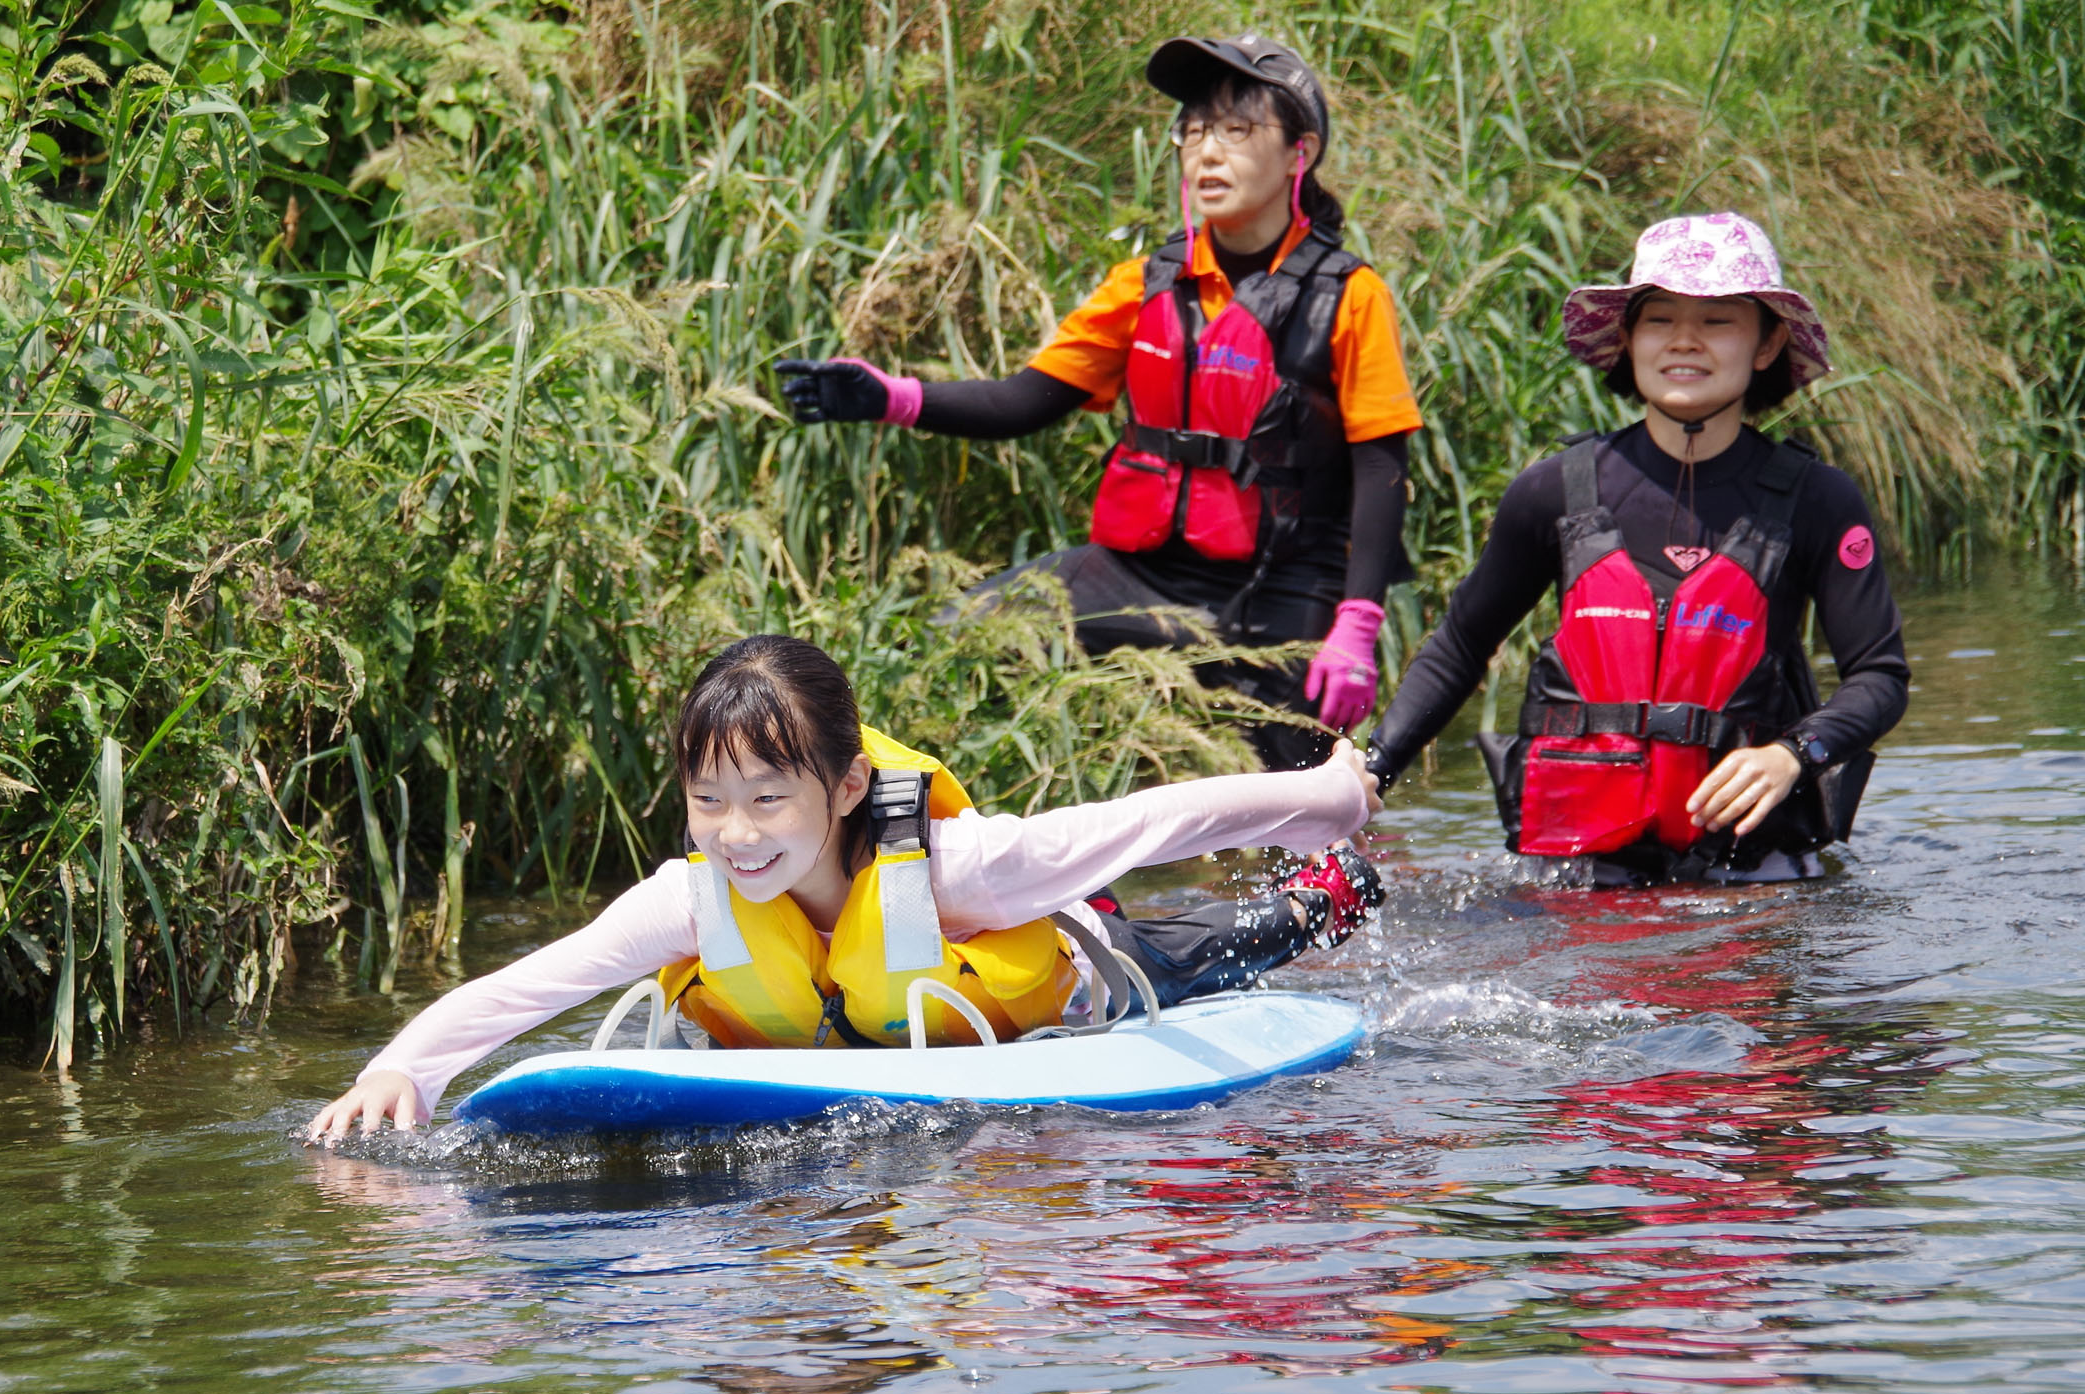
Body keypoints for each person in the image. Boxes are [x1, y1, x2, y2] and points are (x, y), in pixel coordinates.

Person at [306, 634, 1385, 1140]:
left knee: (1217, 943)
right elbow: (524, 990)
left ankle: (1317, 899)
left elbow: (1160, 821)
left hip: (1071, 984)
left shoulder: (964, 867)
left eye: (769, 800)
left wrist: (1328, 797)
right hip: (876, 1022)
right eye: (709, 800)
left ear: (847, 783)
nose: (737, 834)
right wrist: (401, 1069)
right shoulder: (691, 899)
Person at [774, 33, 1423, 771]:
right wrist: (889, 396)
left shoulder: (1350, 296)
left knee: (1301, 824)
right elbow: (1026, 401)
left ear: (1298, 154)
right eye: (1196, 129)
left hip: (1285, 589)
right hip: (1142, 578)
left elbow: (1381, 469)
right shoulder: (1147, 283)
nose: (1208, 152)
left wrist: (1357, 625)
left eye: (1238, 130)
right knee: (962, 636)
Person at [1366, 213, 1910, 886]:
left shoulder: (1820, 500)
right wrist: (1372, 770)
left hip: (1754, 878)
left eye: (1717, 321)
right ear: (1626, 339)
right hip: (1580, 875)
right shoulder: (1553, 493)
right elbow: (1459, 646)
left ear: (1767, 345)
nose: (1685, 341)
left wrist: (1792, 756)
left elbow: (1880, 678)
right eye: (1659, 320)